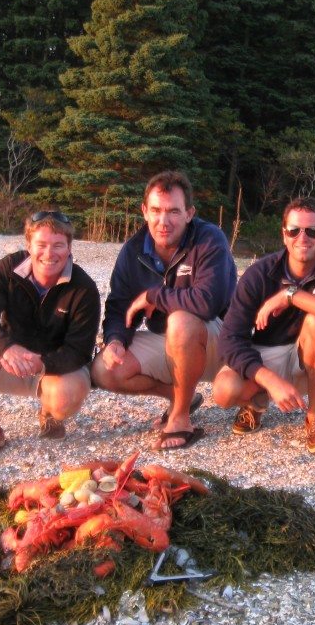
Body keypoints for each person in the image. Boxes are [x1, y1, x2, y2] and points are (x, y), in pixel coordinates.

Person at [91, 171, 236, 451]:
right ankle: (181, 396)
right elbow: (120, 304)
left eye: (173, 211)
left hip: (220, 341)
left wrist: (154, 295)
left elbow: (208, 302)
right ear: (144, 211)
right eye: (156, 210)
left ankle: (180, 419)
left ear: (189, 213)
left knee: (181, 319)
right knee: (104, 370)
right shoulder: (133, 250)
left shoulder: (209, 239)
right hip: (172, 341)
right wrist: (116, 340)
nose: (163, 221)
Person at [213, 196, 315, 454]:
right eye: (294, 230)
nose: (302, 237)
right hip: (267, 354)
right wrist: (269, 379)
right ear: (284, 235)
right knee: (224, 391)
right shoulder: (259, 274)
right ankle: (256, 402)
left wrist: (291, 296)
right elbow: (229, 339)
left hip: (312, 359)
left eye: (311, 231)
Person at [0, 210, 100, 459]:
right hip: (12, 361)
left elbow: (80, 350)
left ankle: (49, 413)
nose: (49, 253)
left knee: (64, 399)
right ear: (28, 245)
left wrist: (42, 363)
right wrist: (7, 347)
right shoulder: (8, 268)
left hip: (56, 368)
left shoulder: (83, 288)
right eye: (41, 244)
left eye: (58, 245)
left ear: (69, 248)